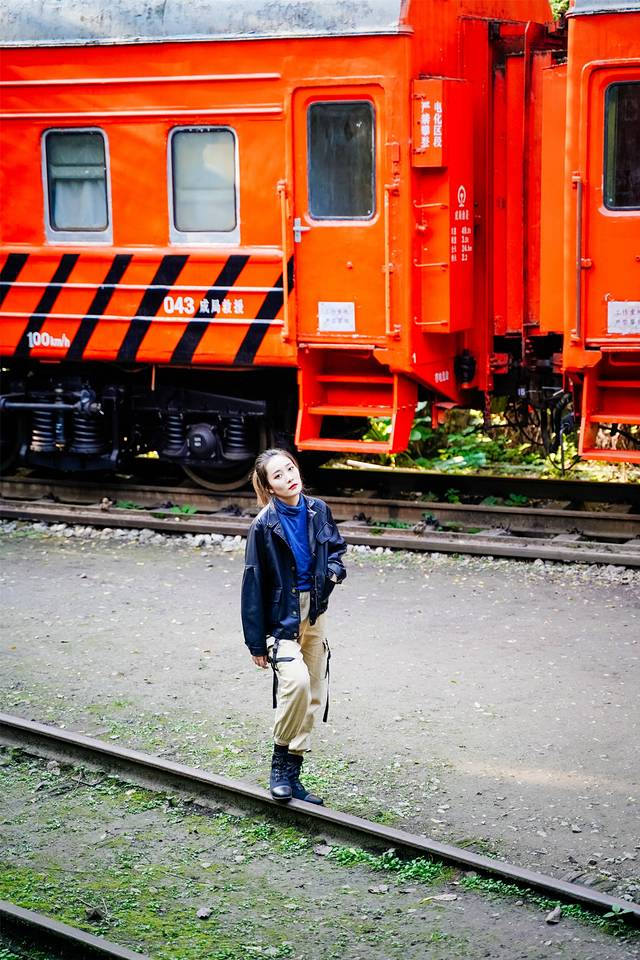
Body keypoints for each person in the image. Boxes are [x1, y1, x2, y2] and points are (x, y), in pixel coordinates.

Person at [241, 448, 347, 804]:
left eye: (290, 468)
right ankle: (279, 763)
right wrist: (256, 643)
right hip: (281, 617)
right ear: (269, 487)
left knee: (315, 690)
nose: (288, 476)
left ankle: (294, 771)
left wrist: (333, 572)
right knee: (296, 684)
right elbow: (253, 583)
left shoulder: (319, 509)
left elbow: (335, 549)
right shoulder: (263, 526)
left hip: (315, 611)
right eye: (278, 475)